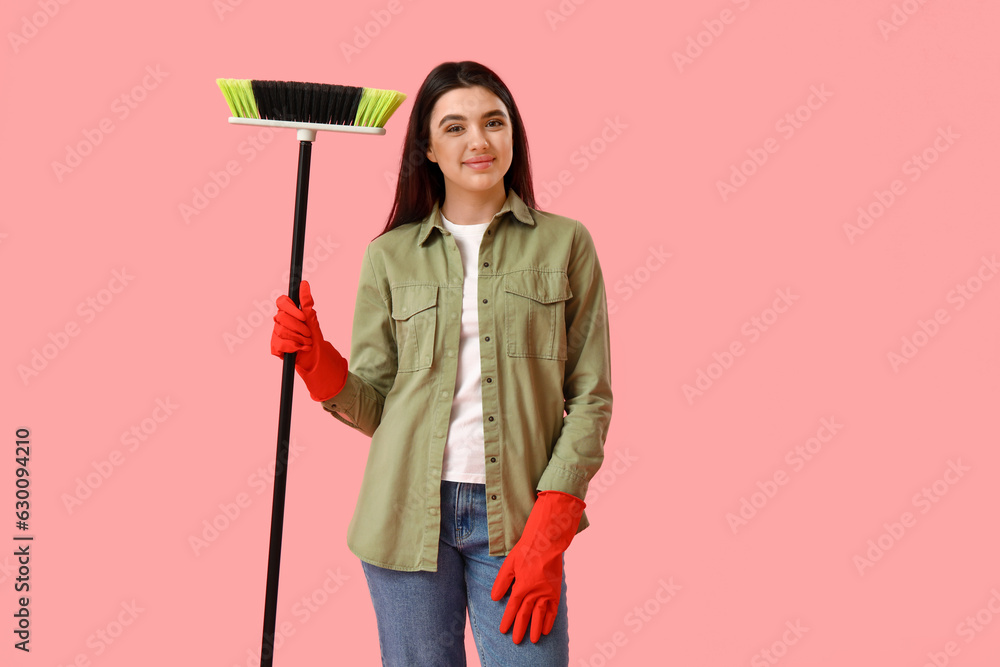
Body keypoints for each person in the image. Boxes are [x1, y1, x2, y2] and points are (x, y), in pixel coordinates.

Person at [270, 60, 613, 666]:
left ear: (514, 134)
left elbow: (590, 397)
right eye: (454, 127)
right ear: (427, 146)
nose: (478, 141)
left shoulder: (567, 243)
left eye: (493, 122)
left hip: (520, 516)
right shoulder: (390, 255)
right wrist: (314, 358)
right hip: (404, 517)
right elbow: (376, 403)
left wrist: (554, 520)